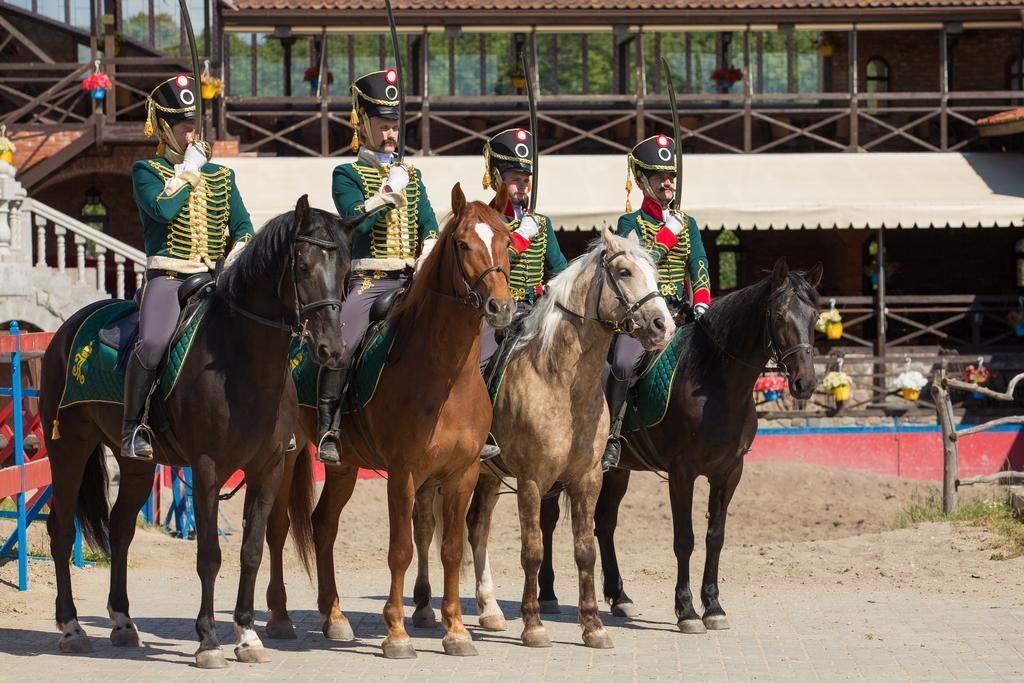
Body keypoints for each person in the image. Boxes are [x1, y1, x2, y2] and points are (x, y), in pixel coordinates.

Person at [124, 73, 254, 460]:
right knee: (152, 342)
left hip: (214, 280)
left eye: (193, 126)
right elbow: (163, 210)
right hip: (168, 278)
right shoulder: (147, 171)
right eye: (182, 127)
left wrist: (235, 258)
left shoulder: (222, 176)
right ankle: (134, 427)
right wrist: (189, 173)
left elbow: (243, 227)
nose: (191, 135)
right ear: (163, 128)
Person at [315, 68, 436, 464]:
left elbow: (429, 224)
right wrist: (388, 192)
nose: (390, 134)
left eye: (393, 126)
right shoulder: (346, 174)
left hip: (413, 278)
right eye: (382, 126)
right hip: (370, 281)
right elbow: (353, 222)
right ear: (362, 125)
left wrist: (429, 251)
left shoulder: (412, 176)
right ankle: (329, 428)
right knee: (343, 344)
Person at [603, 134, 711, 469]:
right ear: (643, 182)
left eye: (671, 177)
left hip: (681, 311)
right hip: (643, 318)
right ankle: (612, 436)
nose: (668, 183)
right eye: (660, 177)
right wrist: (667, 234)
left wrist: (703, 302)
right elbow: (639, 263)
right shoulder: (629, 223)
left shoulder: (688, 224)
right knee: (621, 363)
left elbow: (700, 265)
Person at [478, 127, 567, 371]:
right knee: (480, 365)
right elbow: (489, 267)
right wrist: (520, 237)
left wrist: (555, 287)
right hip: (499, 311)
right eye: (515, 179)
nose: (522, 186)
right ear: (497, 179)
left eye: (526, 180)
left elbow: (559, 267)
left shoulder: (541, 222)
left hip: (538, 308)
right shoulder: (485, 221)